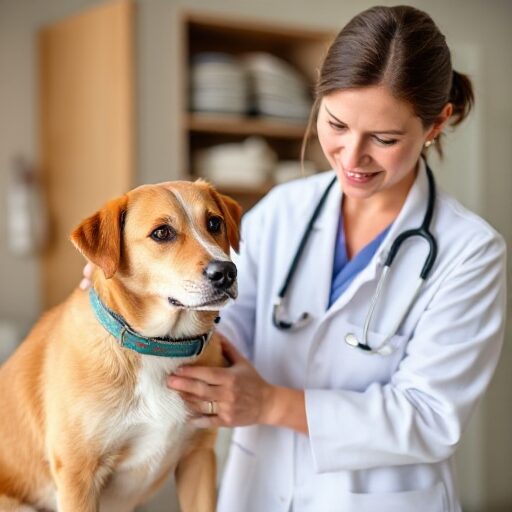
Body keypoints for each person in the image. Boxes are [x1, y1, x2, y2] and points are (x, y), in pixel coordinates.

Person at [83, 5, 505, 512]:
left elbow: (432, 418)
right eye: (337, 124)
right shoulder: (285, 210)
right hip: (259, 491)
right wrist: (135, 292)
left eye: (385, 139)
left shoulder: (469, 251)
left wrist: (270, 403)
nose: (352, 158)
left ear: (437, 124)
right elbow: (224, 328)